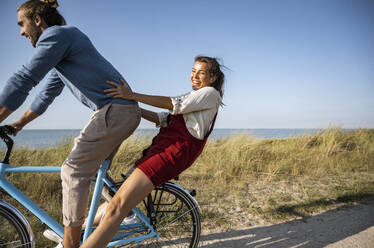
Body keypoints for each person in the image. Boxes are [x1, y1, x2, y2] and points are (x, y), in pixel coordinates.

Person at [0, 1, 140, 247]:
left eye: (21, 24)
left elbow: (24, 78)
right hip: (118, 113)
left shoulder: (58, 35)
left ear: (37, 19)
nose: (20, 32)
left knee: (73, 170)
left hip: (114, 112)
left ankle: (70, 243)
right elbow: (46, 94)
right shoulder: (64, 48)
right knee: (95, 172)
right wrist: (19, 123)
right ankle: (124, 213)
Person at [79, 55, 225, 247]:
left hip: (171, 154)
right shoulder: (197, 97)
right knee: (119, 199)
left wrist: (132, 95)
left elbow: (174, 104)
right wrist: (133, 108)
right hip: (161, 151)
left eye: (201, 72)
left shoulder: (210, 94)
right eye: (193, 71)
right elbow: (163, 118)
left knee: (117, 207)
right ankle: (77, 234)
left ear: (212, 78)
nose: (195, 76)